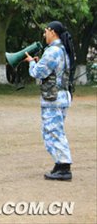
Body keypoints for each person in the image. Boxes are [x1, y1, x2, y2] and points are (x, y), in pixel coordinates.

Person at [25, 21, 75, 181]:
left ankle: (64, 167)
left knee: (53, 132)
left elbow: (38, 73)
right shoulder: (62, 49)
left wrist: (32, 63)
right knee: (55, 131)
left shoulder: (53, 51)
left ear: (52, 32)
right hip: (62, 96)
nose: (44, 34)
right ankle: (60, 165)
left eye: (46, 31)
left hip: (53, 98)